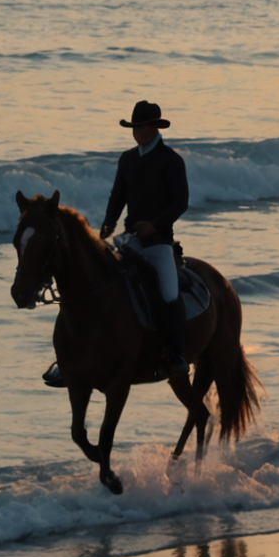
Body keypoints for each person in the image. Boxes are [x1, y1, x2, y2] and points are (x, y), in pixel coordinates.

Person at [101, 100, 192, 378]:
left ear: (154, 128)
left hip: (159, 243)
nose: (137, 132)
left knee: (168, 293)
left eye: (141, 127)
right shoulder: (127, 159)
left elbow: (181, 202)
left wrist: (154, 225)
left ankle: (176, 353)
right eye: (134, 127)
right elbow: (117, 196)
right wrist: (109, 223)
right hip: (131, 240)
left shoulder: (171, 161)